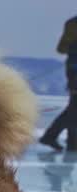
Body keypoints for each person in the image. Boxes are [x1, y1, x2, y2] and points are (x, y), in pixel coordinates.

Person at [40, 16, 77, 152]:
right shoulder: (73, 24)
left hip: (73, 70)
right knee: (74, 108)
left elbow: (61, 48)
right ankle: (52, 136)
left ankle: (71, 142)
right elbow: (62, 48)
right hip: (75, 71)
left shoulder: (71, 23)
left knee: (74, 108)